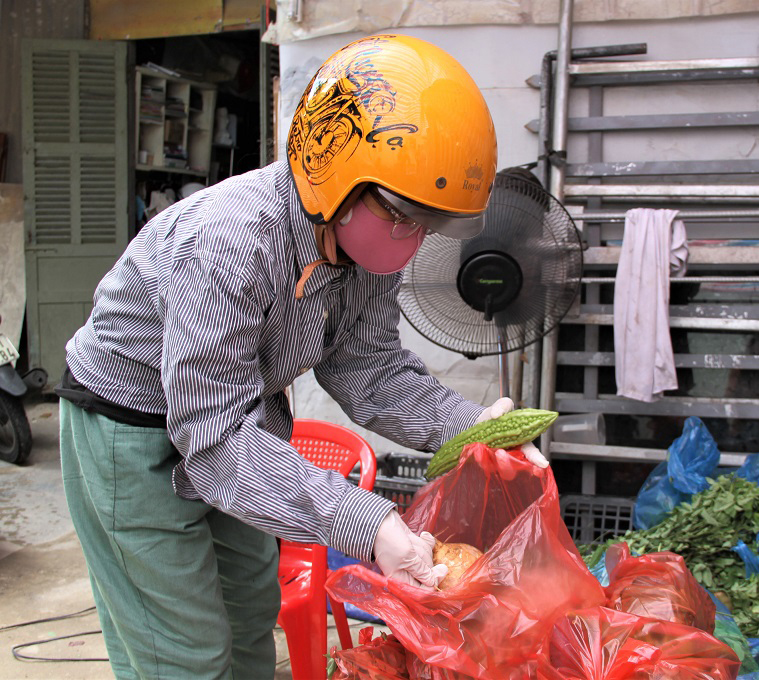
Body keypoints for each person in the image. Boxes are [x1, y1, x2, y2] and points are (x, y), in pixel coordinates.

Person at [57, 34, 547, 679]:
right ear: (334, 179)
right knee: (183, 651)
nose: (415, 239)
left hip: (242, 418)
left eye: (431, 224)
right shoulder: (230, 242)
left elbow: (367, 367)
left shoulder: (360, 245)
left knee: (249, 616)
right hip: (131, 426)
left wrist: (472, 430)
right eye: (405, 218)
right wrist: (368, 523)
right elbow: (212, 439)